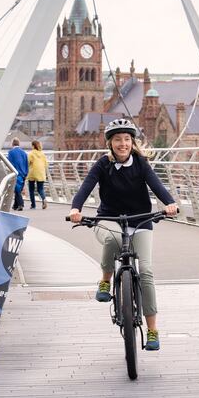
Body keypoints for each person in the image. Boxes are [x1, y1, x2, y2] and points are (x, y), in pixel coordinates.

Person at [68, 118, 178, 351]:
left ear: (132, 142)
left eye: (127, 139)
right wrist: (75, 208)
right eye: (118, 139)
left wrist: (170, 203)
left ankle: (152, 330)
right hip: (109, 218)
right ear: (110, 143)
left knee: (146, 272)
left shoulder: (141, 163)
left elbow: (157, 185)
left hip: (140, 221)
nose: (123, 144)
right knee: (112, 239)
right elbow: (86, 187)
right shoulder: (102, 165)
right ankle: (106, 280)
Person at [7, 137, 28, 211]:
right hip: (23, 174)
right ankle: (15, 205)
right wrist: (26, 174)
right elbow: (26, 164)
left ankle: (20, 204)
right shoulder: (24, 153)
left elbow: (9, 163)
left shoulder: (11, 152)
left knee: (17, 190)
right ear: (19, 144)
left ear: (12, 144)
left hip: (15, 173)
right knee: (18, 189)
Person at [27, 140, 48, 209]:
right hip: (41, 173)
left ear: (33, 146)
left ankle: (33, 205)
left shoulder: (31, 153)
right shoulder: (42, 154)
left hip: (32, 172)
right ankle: (44, 198)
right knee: (40, 189)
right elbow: (46, 164)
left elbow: (28, 162)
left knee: (31, 190)